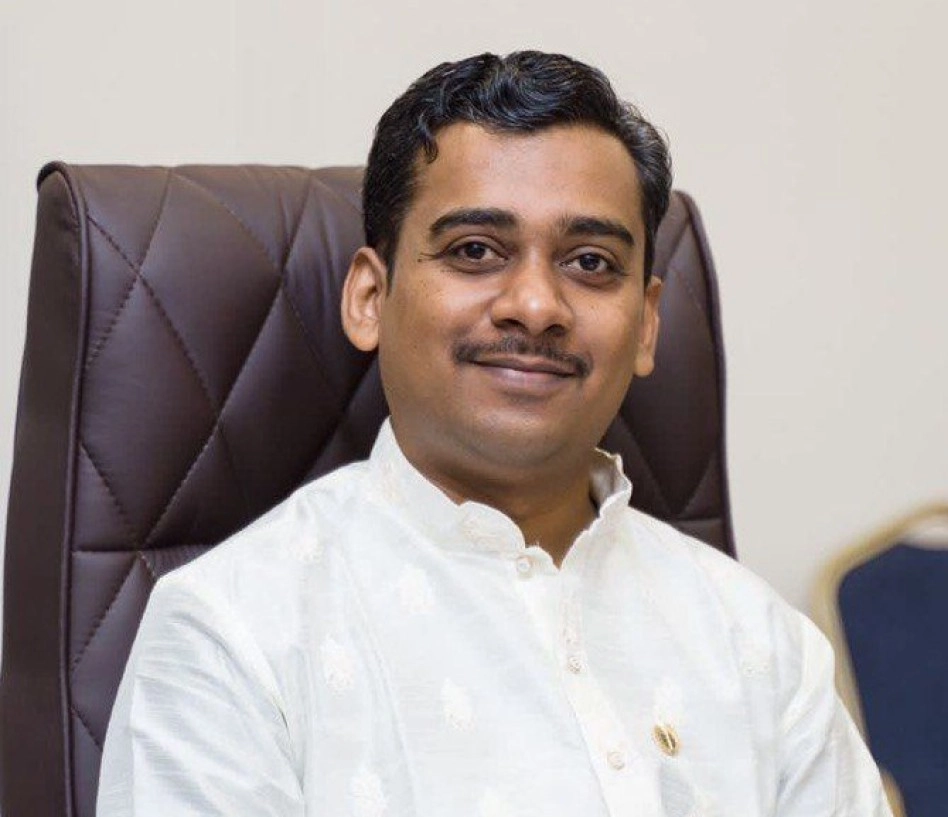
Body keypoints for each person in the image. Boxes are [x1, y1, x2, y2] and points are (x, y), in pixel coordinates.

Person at [96, 51, 891, 816]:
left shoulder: (764, 648)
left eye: (590, 262)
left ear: (647, 324)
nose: (536, 305)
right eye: (475, 251)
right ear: (370, 297)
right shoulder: (232, 634)